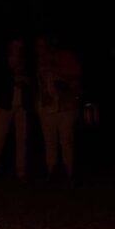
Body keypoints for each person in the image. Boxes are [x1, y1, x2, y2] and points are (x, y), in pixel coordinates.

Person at [35, 37, 81, 179]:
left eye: (43, 45)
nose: (40, 49)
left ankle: (68, 172)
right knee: (50, 141)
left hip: (65, 106)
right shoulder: (38, 62)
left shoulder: (64, 57)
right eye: (38, 46)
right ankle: (51, 170)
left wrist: (58, 75)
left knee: (66, 141)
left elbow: (76, 76)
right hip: (47, 106)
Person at [0, 38, 32, 179]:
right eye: (15, 46)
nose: (17, 48)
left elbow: (31, 82)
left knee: (21, 139)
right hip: (5, 104)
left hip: (21, 105)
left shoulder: (26, 64)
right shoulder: (2, 62)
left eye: (20, 46)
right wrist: (13, 80)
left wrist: (24, 81)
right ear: (10, 46)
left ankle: (21, 172)